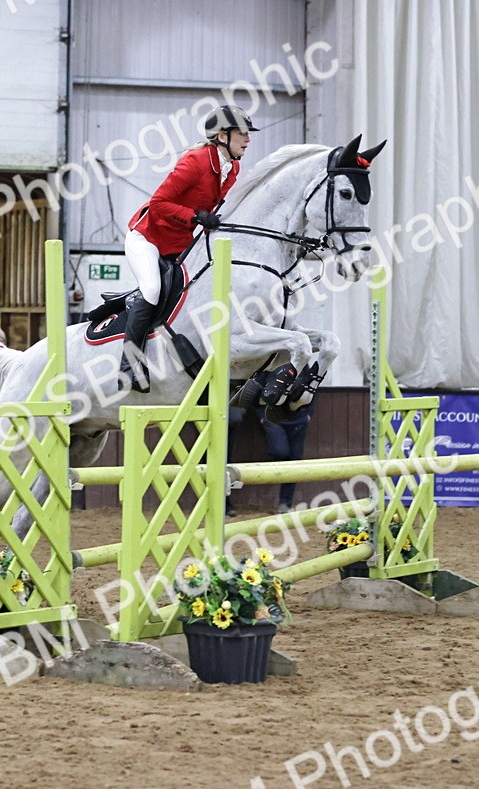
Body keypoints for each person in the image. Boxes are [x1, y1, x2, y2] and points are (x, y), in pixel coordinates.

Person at [119, 104, 258, 392]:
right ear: (222, 136)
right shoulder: (195, 161)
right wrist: (194, 216)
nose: (248, 139)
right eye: (242, 133)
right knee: (152, 291)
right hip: (146, 239)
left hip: (179, 245)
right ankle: (128, 367)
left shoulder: (232, 169)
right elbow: (158, 202)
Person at [256, 400, 315, 514]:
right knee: (279, 452)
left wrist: (308, 414)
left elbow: (312, 390)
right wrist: (262, 416)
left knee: (294, 460)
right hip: (273, 416)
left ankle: (285, 502)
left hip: (299, 418)